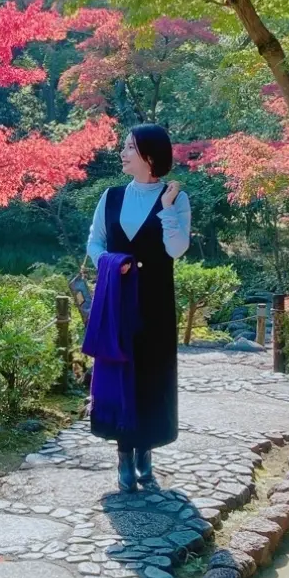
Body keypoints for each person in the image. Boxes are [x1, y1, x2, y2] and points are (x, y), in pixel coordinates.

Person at [84, 124, 191, 492]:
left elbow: (177, 249)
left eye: (129, 147)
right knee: (118, 373)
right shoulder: (110, 197)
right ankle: (124, 454)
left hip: (156, 301)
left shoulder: (175, 198)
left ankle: (146, 448)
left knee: (151, 373)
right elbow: (94, 243)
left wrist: (165, 211)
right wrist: (110, 263)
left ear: (149, 156)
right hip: (117, 299)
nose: (122, 152)